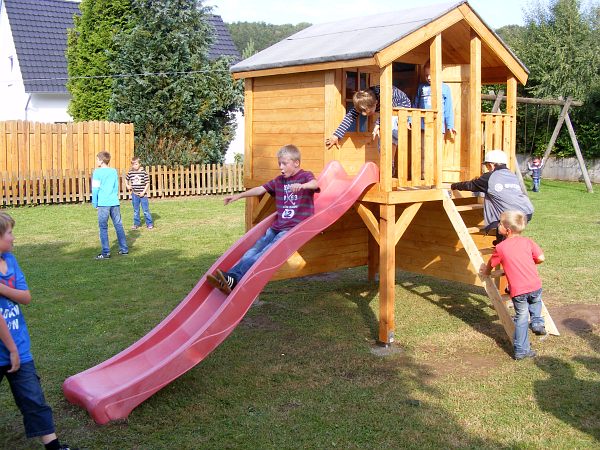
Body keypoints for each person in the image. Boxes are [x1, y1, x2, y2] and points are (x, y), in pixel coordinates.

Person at [0, 212, 76, 449]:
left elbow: (26, 297)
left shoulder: (10, 261)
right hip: (9, 348)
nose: (13, 238)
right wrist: (10, 349)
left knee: (34, 399)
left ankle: (53, 447)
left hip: (19, 348)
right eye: (9, 233)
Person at [207, 145, 319, 295]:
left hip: (291, 229)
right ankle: (229, 279)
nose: (281, 167)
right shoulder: (279, 181)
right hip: (276, 227)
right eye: (279, 163)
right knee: (252, 251)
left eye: (284, 164)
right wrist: (238, 196)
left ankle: (234, 278)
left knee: (263, 254)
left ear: (296, 163)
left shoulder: (305, 176)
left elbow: (315, 184)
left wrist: (302, 186)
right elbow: (260, 189)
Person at [481, 210, 546, 360]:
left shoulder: (501, 248)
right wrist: (532, 261)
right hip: (535, 285)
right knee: (535, 303)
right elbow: (541, 257)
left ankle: (522, 351)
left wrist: (486, 271)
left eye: (499, 223)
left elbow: (491, 264)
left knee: (522, 318)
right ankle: (536, 322)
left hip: (518, 290)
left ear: (507, 230)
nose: (497, 225)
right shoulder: (528, 242)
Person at [451, 149, 534, 245]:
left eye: (486, 166)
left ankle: (503, 247)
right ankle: (501, 243)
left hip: (513, 214)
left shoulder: (490, 177)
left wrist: (454, 186)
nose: (487, 168)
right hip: (527, 210)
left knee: (503, 228)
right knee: (503, 227)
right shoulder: (511, 174)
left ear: (491, 164)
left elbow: (471, 185)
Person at [325, 85, 411, 170]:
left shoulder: (384, 95)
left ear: (376, 103)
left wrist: (378, 123)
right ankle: (389, 165)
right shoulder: (364, 101)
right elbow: (349, 117)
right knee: (382, 139)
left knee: (390, 131)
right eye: (361, 111)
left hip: (401, 106)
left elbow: (388, 110)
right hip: (388, 111)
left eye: (367, 112)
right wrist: (336, 135)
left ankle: (390, 164)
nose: (363, 114)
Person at [92, 151, 128, 259]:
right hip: (114, 202)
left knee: (103, 227)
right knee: (118, 225)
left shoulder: (97, 172)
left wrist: (95, 202)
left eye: (97, 159)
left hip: (103, 203)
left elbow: (95, 189)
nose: (96, 161)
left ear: (101, 161)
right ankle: (124, 249)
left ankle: (105, 252)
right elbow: (116, 187)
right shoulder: (113, 171)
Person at [414, 61, 456, 137]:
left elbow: (448, 108)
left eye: (431, 75)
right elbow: (415, 105)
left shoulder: (445, 88)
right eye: (427, 75)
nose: (429, 78)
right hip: (423, 125)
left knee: (437, 148)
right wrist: (410, 119)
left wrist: (450, 125)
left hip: (438, 125)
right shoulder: (421, 87)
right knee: (423, 147)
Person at [125, 157, 154, 230]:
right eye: (133, 164)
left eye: (136, 164)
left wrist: (143, 192)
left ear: (139, 164)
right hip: (134, 194)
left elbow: (147, 183)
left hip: (143, 195)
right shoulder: (130, 173)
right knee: (136, 210)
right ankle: (136, 224)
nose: (134, 166)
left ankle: (149, 223)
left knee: (145, 210)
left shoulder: (143, 172)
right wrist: (127, 185)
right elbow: (126, 179)